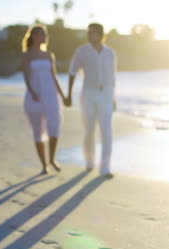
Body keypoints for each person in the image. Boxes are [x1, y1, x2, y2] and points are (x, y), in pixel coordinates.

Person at [65, 23, 116, 176]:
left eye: (92, 32)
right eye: (88, 32)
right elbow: (72, 72)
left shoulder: (110, 53)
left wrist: (113, 97)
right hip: (88, 94)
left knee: (107, 131)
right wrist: (68, 94)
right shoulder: (81, 52)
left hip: (106, 94)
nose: (89, 35)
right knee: (89, 130)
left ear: (100, 34)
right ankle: (89, 161)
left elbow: (112, 76)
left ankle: (105, 167)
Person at [21, 25, 66, 174]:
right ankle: (44, 165)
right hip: (34, 96)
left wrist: (63, 95)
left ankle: (52, 159)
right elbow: (26, 76)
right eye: (41, 34)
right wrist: (32, 92)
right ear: (33, 36)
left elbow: (54, 76)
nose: (44, 36)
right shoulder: (26, 55)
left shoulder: (49, 54)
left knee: (54, 127)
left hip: (51, 95)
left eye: (45, 34)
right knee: (37, 130)